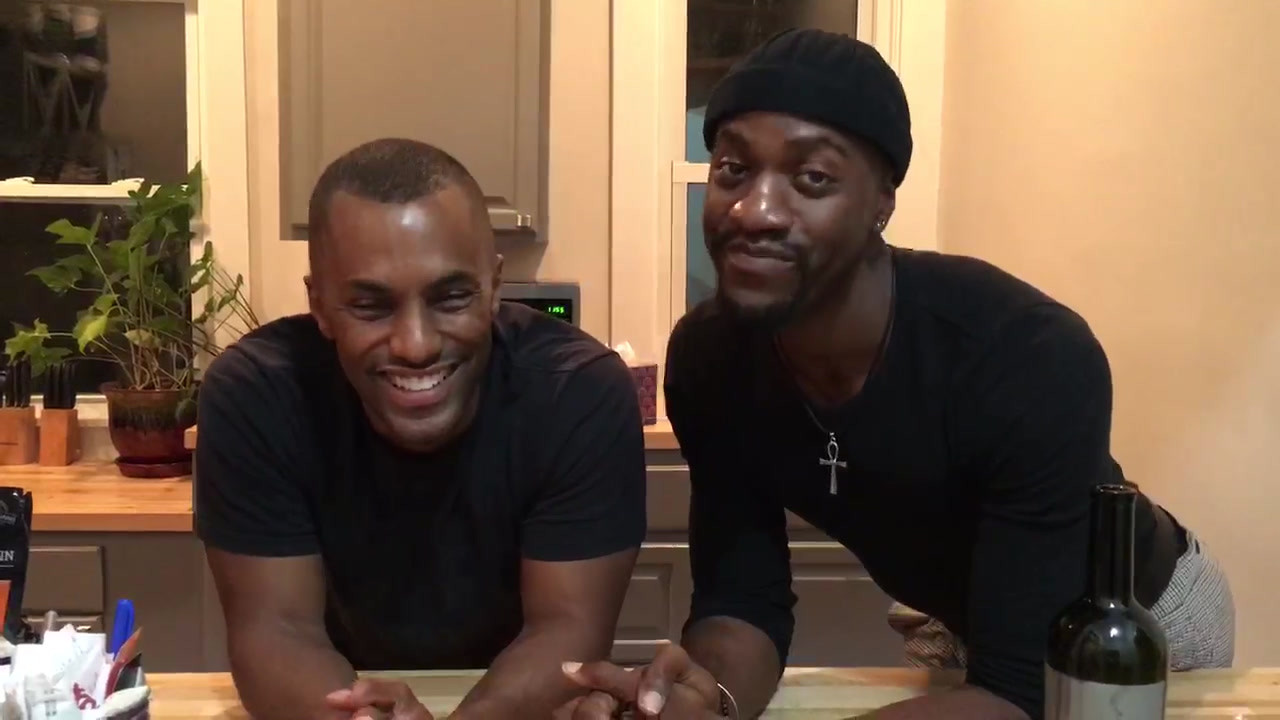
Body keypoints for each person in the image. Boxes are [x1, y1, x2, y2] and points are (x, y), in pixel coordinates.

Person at [558, 28, 1234, 720]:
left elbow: (1019, 695)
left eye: (811, 179)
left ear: (882, 201)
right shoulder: (712, 360)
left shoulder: (1024, 353)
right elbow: (741, 599)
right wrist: (710, 701)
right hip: (961, 621)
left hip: (1130, 630)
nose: (754, 210)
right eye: (732, 168)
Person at [194, 138, 647, 720]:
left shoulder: (577, 391)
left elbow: (566, 631)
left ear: (494, 287)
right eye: (371, 306)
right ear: (320, 305)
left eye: (452, 298)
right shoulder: (257, 394)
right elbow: (276, 631)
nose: (415, 345)